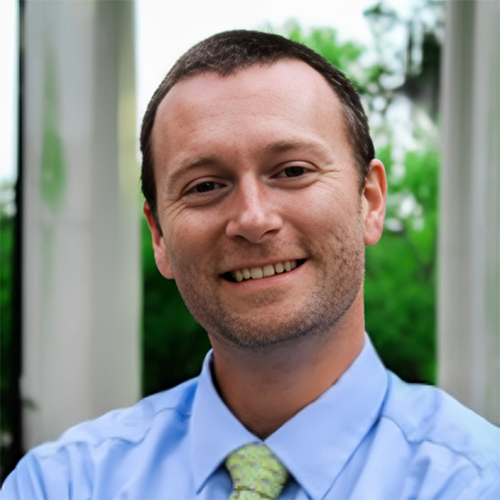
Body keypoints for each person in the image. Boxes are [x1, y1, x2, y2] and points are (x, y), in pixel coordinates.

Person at [2, 30, 500, 500]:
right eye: (204, 186)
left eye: (292, 171)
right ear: (158, 235)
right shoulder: (63, 484)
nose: (252, 219)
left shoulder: (477, 481)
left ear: (369, 200)